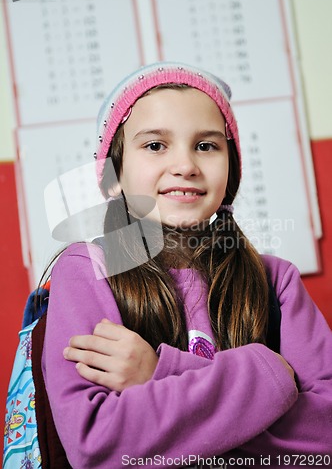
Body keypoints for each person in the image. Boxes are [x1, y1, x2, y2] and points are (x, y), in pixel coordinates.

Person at [42, 62, 332, 468]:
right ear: (112, 178)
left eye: (206, 145)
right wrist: (267, 375)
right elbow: (97, 444)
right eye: (156, 146)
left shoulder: (275, 280)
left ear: (230, 172)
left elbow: (325, 437)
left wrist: (159, 374)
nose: (186, 165)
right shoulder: (88, 269)